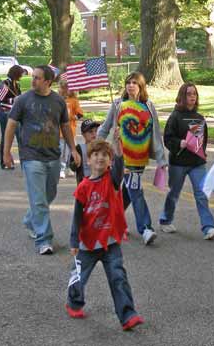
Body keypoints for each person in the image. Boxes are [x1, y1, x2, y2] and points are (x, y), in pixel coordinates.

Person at [65, 137, 144, 331]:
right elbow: (76, 216)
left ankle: (127, 315)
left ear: (109, 161)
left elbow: (118, 167)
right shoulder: (83, 187)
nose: (100, 158)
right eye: (95, 155)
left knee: (118, 277)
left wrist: (117, 149)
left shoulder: (112, 180)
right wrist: (74, 241)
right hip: (87, 243)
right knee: (79, 277)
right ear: (88, 160)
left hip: (110, 241)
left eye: (105, 156)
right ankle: (74, 303)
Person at [3, 65, 81, 255]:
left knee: (49, 194)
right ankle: (44, 240)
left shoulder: (58, 102)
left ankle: (31, 220)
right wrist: (6, 152)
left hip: (53, 156)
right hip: (31, 157)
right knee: (39, 200)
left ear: (48, 82)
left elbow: (65, 127)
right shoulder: (23, 100)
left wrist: (73, 149)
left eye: (37, 78)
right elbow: (11, 126)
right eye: (33, 77)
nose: (33, 80)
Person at [97, 72, 167, 245]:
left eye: (135, 82)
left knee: (128, 192)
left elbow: (155, 133)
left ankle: (112, 220)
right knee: (135, 189)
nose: (131, 85)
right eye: (128, 82)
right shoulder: (118, 104)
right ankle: (146, 229)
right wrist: (98, 146)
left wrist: (161, 159)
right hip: (121, 157)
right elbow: (105, 128)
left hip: (140, 158)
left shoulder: (148, 106)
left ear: (141, 86)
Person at [159, 83, 214, 240]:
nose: (192, 97)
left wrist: (201, 151)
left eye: (194, 94)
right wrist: (179, 143)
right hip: (178, 163)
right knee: (174, 193)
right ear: (182, 97)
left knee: (201, 194)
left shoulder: (199, 118)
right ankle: (165, 220)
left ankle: (209, 227)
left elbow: (202, 140)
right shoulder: (175, 117)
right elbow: (167, 139)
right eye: (189, 94)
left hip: (197, 163)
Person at [0, 65, 23, 170]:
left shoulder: (17, 84)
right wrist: (13, 100)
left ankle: (23, 162)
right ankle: (4, 161)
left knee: (20, 136)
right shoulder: (5, 83)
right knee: (6, 137)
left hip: (15, 113)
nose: (21, 76)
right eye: (20, 74)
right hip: (5, 113)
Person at [58, 80, 83, 179]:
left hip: (70, 131)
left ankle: (68, 168)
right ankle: (62, 169)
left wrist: (72, 117)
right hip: (59, 132)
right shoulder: (58, 100)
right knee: (62, 151)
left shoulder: (73, 101)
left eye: (64, 88)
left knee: (69, 151)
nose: (62, 90)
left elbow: (80, 114)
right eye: (61, 88)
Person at [69, 119, 100, 185]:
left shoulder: (100, 147)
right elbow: (72, 167)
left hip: (98, 184)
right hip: (83, 185)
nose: (94, 134)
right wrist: (76, 163)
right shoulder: (79, 148)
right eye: (90, 132)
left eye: (95, 131)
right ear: (83, 134)